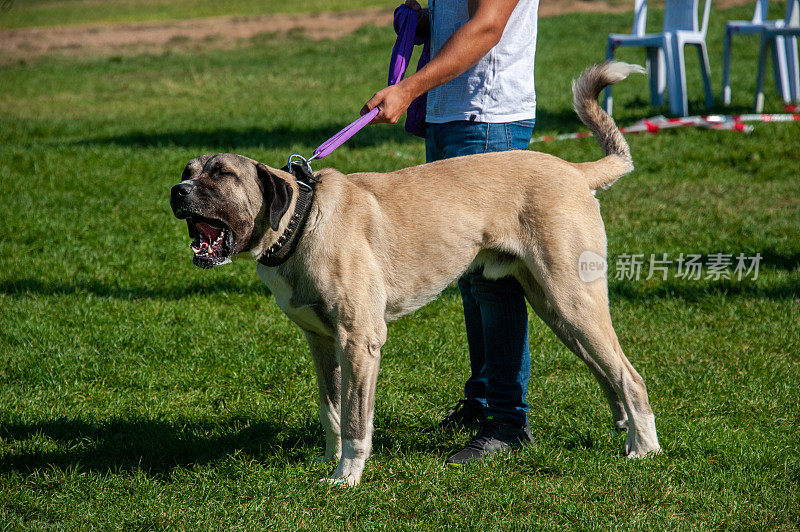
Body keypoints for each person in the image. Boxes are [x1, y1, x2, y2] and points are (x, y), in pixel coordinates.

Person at [361, 0, 539, 464]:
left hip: (487, 119)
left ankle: (508, 422)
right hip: (451, 117)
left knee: (493, 280)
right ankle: (483, 402)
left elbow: (485, 28)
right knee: (470, 271)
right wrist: (425, 23)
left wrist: (407, 88)